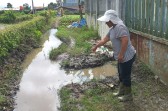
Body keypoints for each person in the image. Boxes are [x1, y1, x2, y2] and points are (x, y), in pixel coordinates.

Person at [92, 10, 136, 102]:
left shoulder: (120, 27)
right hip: (121, 57)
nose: (105, 23)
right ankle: (121, 91)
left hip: (127, 56)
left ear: (112, 20)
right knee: (121, 74)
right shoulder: (112, 28)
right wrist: (96, 46)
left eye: (107, 21)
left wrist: (121, 54)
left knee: (125, 75)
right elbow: (105, 39)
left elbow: (125, 41)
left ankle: (128, 95)